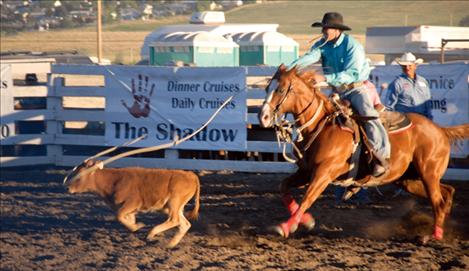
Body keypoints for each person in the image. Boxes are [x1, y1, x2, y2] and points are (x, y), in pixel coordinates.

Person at [288, 12, 390, 177]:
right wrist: (289, 68)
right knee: (321, 117)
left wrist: (324, 77)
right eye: (323, 28)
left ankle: (381, 155)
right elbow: (309, 57)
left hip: (355, 88)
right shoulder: (323, 44)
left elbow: (352, 73)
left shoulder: (352, 46)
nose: (323, 32)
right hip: (337, 91)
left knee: (369, 115)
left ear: (336, 30)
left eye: (326, 28)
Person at [386, 52, 433, 120]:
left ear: (415, 66)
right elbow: (389, 106)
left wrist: (429, 119)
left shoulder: (423, 81)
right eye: (404, 66)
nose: (407, 68)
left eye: (409, 65)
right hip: (404, 120)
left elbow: (428, 103)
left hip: (422, 119)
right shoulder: (397, 83)